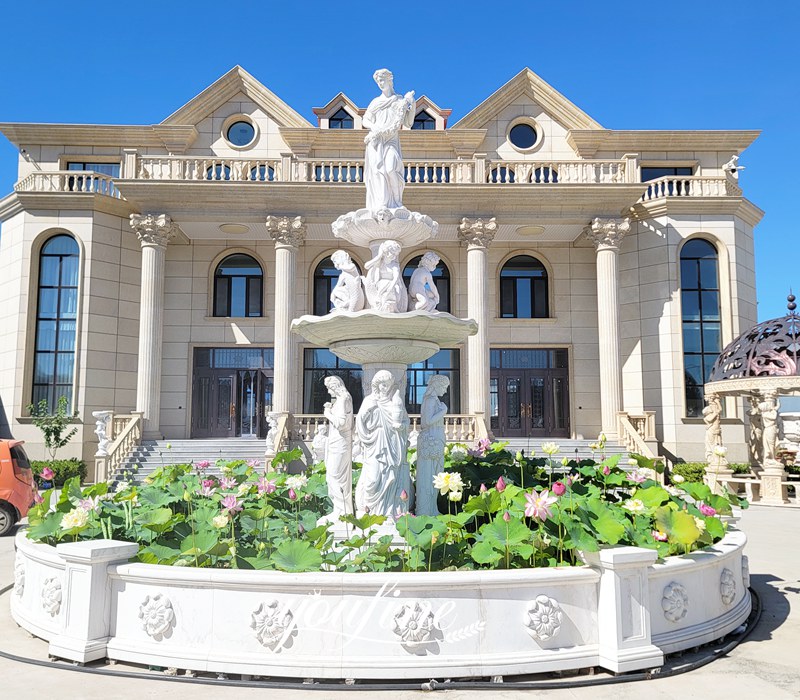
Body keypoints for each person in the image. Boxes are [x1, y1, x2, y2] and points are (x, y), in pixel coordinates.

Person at [355, 370, 409, 516]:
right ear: (377, 385)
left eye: (388, 385)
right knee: (372, 479)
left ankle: (388, 512)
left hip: (391, 442)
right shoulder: (369, 401)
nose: (385, 388)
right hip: (374, 441)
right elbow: (359, 421)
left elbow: (405, 421)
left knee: (390, 475)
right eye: (383, 385)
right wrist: (368, 413)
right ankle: (370, 512)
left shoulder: (394, 402)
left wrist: (401, 427)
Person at [363, 69, 415, 213]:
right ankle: (381, 203)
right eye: (378, 81)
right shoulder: (376, 102)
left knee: (391, 168)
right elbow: (365, 119)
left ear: (389, 80)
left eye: (382, 80)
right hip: (376, 142)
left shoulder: (399, 101)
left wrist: (413, 104)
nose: (380, 83)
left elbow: (408, 123)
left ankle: (397, 202)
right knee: (379, 172)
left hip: (391, 140)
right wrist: (375, 128)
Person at [320, 376, 354, 522]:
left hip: (339, 443)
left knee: (335, 476)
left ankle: (342, 511)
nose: (328, 391)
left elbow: (341, 423)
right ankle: (340, 510)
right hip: (338, 442)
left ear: (335, 386)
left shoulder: (342, 400)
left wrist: (327, 413)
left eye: (329, 387)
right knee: (336, 477)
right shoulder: (344, 398)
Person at [416, 375, 450, 516]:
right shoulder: (430, 401)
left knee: (435, 475)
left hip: (435, 439)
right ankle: (425, 510)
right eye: (444, 387)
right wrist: (443, 411)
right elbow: (427, 422)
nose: (446, 391)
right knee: (429, 477)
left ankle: (432, 508)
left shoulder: (434, 400)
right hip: (430, 440)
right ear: (437, 386)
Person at [363, 240, 407, 312]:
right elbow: (366, 266)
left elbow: (395, 278)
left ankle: (388, 307)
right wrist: (379, 256)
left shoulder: (394, 265)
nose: (394, 256)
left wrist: (391, 287)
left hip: (393, 285)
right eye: (393, 253)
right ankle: (381, 307)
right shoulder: (379, 262)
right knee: (383, 286)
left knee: (391, 290)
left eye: (395, 254)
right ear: (386, 252)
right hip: (380, 284)